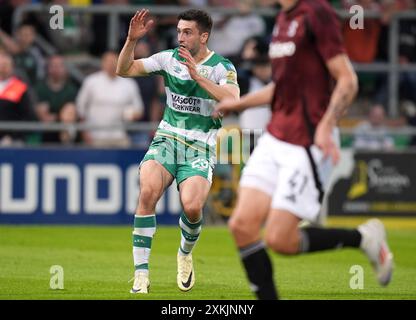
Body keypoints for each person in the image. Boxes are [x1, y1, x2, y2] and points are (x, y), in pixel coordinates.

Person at [213, 0, 393, 300]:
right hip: (275, 137)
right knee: (242, 226)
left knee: (280, 240)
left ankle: (363, 238)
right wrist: (239, 103)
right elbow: (282, 87)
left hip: (307, 141)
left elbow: (347, 79)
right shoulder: (282, 19)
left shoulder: (316, 12)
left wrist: (325, 126)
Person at [117, 9, 240, 294]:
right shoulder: (168, 58)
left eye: (187, 32)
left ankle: (184, 253)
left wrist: (198, 77)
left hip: (200, 145)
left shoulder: (222, 67)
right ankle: (141, 275)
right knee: (147, 192)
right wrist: (131, 41)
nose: (181, 37)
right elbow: (124, 70)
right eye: (179, 31)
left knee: (193, 207)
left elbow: (233, 99)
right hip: (168, 138)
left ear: (203, 36)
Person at [76, 51, 144, 147]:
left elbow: (138, 109)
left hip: (120, 136)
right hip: (95, 136)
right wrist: (85, 132)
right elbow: (81, 107)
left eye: (114, 61)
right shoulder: (91, 81)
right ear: (102, 63)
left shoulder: (129, 83)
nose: (111, 64)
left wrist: (132, 115)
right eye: (108, 61)